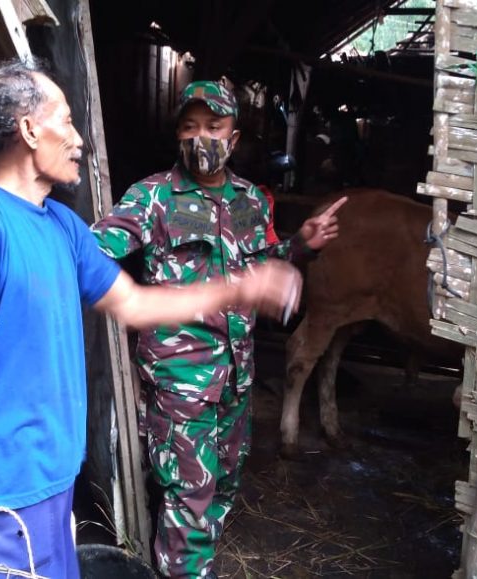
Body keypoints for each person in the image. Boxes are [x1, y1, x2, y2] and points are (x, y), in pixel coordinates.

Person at [0, 61, 302, 579]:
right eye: (67, 122)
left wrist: (241, 287)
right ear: (29, 130)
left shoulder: (64, 227)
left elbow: (136, 304)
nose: (79, 140)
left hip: (53, 484)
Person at [92, 80, 346, 579]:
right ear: (177, 135)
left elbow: (261, 264)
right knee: (189, 497)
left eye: (213, 126)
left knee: (223, 486)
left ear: (234, 137)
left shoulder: (250, 200)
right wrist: (131, 304)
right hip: (179, 379)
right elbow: (92, 253)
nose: (201, 137)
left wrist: (300, 245)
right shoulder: (152, 196)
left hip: (236, 376)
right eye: (190, 127)